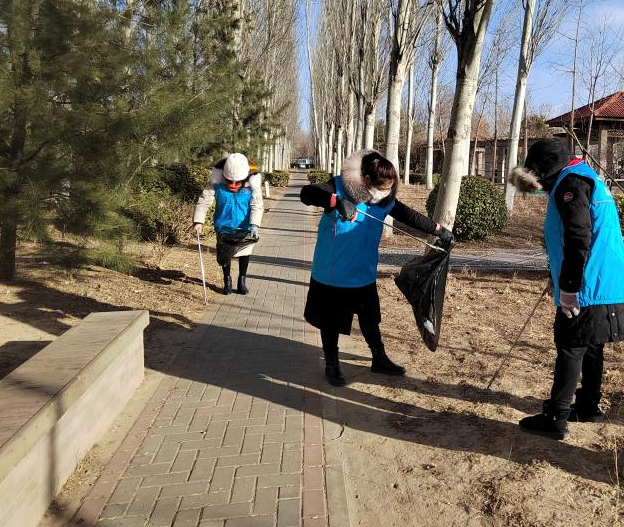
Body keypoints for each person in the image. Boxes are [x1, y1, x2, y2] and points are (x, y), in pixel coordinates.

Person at [509, 139, 624, 440]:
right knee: (591, 344)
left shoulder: (570, 184)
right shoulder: (587, 176)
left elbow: (578, 236)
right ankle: (588, 406)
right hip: (606, 283)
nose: (542, 188)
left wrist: (569, 287)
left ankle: (556, 417)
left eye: (540, 180)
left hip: (588, 285)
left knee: (570, 345)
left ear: (546, 170)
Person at [300, 149, 453, 387]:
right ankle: (332, 363)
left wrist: (438, 230)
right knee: (331, 322)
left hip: (364, 272)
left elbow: (408, 215)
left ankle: (379, 358)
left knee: (370, 318)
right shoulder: (339, 187)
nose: (385, 193)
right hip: (333, 274)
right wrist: (336, 201)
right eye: (381, 187)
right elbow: (307, 193)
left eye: (389, 189)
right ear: (366, 179)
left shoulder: (384, 199)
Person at [193, 153, 263, 295]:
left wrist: (255, 225)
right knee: (225, 254)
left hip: (245, 226)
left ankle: (242, 281)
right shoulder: (216, 184)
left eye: (237, 182)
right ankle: (227, 280)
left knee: (244, 253)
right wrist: (198, 221)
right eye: (229, 181)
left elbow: (257, 205)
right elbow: (204, 201)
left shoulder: (251, 186)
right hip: (223, 226)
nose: (233, 185)